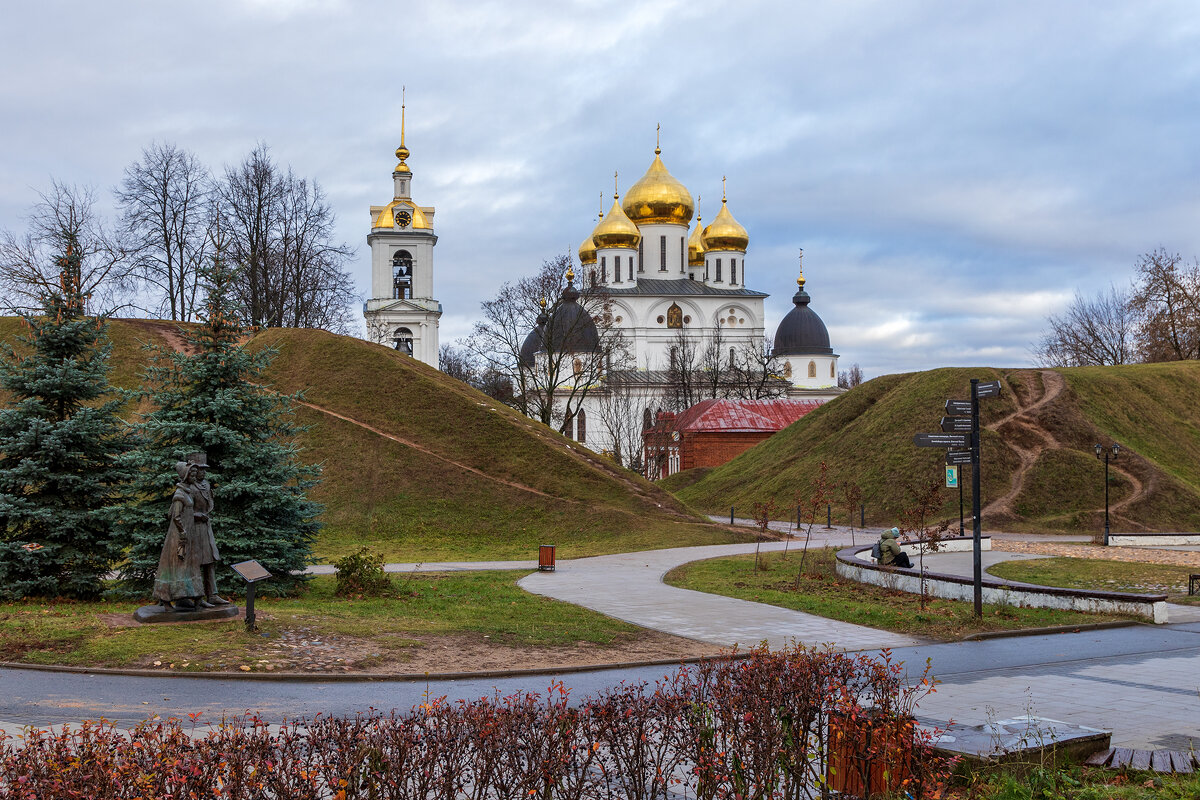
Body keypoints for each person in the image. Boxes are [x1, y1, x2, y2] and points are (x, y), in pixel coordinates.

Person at [152, 461, 205, 610]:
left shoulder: (187, 492)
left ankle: (194, 596)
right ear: (185, 476)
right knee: (176, 565)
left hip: (189, 534)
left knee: (191, 565)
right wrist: (182, 533)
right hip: (179, 536)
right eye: (192, 474)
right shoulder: (179, 494)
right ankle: (166, 599)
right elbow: (175, 516)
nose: (194, 476)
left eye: (195, 474)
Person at [187, 452, 230, 607]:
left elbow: (209, 504)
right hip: (194, 529)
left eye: (205, 469)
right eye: (200, 469)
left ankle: (213, 594)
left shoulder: (206, 484)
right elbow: (182, 512)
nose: (203, 472)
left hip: (206, 528)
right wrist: (197, 515)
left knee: (210, 561)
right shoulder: (189, 487)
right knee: (196, 562)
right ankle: (197, 596)